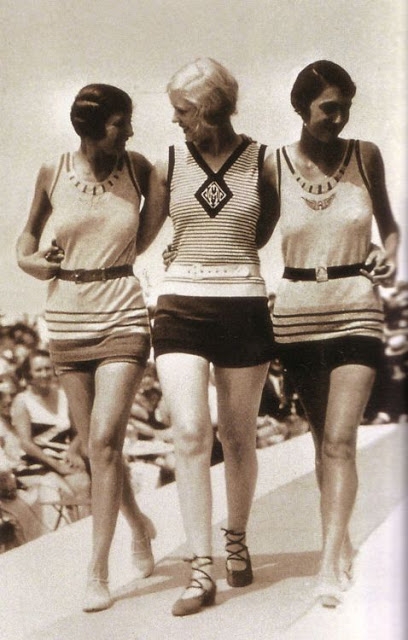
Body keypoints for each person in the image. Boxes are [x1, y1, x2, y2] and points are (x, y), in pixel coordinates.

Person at [137, 58, 277, 616]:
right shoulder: (168, 164)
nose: (174, 120)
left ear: (209, 107)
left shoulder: (264, 162)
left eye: (182, 110)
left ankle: (235, 538)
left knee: (239, 436)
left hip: (243, 307)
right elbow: (139, 239)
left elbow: (258, 233)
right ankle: (200, 566)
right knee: (192, 433)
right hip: (179, 306)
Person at [262, 60, 399, 607]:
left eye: (345, 108)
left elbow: (389, 227)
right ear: (301, 107)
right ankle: (337, 543)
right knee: (323, 443)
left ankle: (327, 562)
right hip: (297, 314)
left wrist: (387, 255)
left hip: (356, 308)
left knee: (342, 440)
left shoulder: (366, 155)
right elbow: (251, 233)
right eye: (328, 108)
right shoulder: (273, 165)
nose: (338, 118)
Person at [16, 84, 156, 612]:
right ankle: (138, 523)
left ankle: (97, 569)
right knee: (101, 450)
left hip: (123, 313)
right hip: (67, 321)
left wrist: (115, 261)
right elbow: (25, 242)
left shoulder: (140, 169)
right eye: (121, 123)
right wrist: (31, 263)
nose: (131, 131)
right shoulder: (52, 172)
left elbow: (147, 230)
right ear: (92, 127)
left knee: (102, 441)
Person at [11, 349, 91, 502]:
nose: (44, 374)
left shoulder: (64, 396)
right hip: (36, 461)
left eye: (48, 368)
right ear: (29, 374)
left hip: (64, 456)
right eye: (38, 370)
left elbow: (79, 430)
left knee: (82, 483)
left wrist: (73, 451)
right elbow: (26, 443)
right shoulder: (22, 401)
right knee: (61, 490)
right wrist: (56, 465)